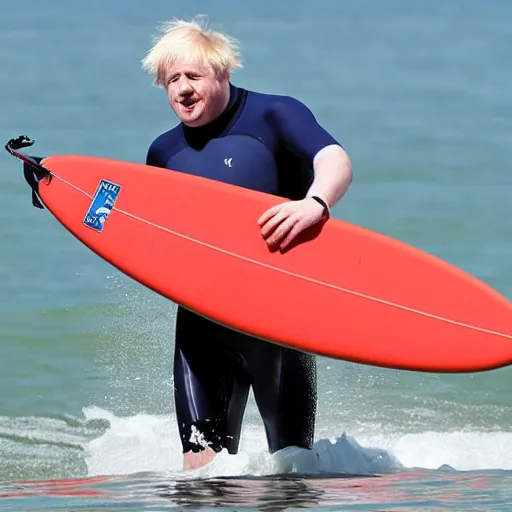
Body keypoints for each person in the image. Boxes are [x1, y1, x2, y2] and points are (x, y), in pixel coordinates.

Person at [141, 16, 353, 470]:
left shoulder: (274, 115)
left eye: (192, 76)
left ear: (223, 72)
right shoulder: (162, 153)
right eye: (171, 80)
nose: (182, 89)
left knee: (292, 468)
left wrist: (315, 203)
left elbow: (334, 158)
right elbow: (144, 230)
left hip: (279, 316)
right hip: (200, 322)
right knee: (199, 471)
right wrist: (59, 189)